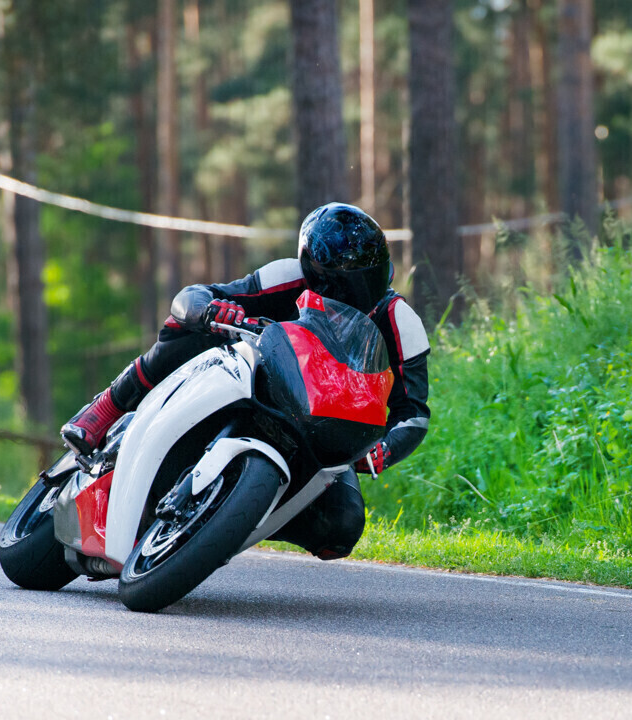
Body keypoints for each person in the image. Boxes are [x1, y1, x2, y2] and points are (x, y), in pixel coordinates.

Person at [61, 201, 431, 560]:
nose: (355, 293)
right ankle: (107, 407)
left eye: (368, 277)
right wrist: (212, 309)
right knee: (191, 328)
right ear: (314, 273)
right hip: (252, 380)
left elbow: (413, 413)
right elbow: (196, 296)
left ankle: (230, 520)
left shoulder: (401, 322)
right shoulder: (287, 277)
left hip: (323, 431)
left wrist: (386, 449)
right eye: (340, 283)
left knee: (342, 528)